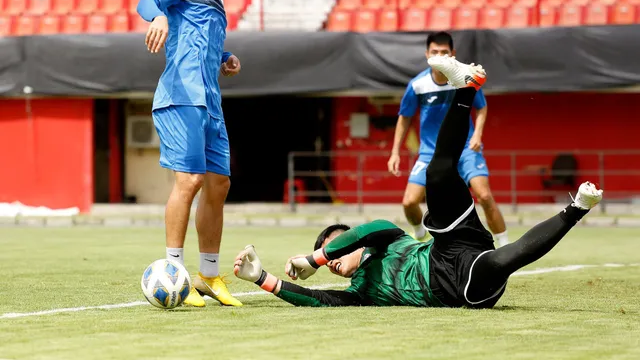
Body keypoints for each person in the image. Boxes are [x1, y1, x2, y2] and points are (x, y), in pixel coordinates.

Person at [233, 55, 603, 308]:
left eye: (337, 247)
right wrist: (262, 278)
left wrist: (315, 257)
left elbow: (372, 227)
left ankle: (466, 89)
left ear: (354, 245)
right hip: (459, 287)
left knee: (437, 173)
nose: (334, 260)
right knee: (506, 260)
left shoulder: (386, 240)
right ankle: (575, 210)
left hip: (451, 244)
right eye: (331, 257)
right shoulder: (362, 292)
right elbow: (319, 300)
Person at [136, 0, 244, 308]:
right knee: (190, 181)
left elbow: (203, 45)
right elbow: (146, 0)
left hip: (210, 102)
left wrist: (226, 58)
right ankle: (174, 271)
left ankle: (209, 275)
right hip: (181, 97)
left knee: (219, 185)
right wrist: (160, 14)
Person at [387, 31, 509, 246]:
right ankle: (419, 231)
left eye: (444, 52)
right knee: (409, 202)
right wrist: (395, 151)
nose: (440, 56)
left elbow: (481, 107)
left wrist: (478, 134)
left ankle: (506, 246)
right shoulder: (417, 85)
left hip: (465, 149)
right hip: (429, 152)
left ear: (452, 54)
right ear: (427, 55)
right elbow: (404, 118)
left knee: (485, 196)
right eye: (435, 52)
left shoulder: (463, 79)